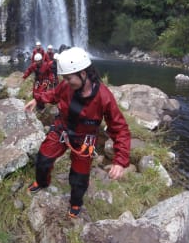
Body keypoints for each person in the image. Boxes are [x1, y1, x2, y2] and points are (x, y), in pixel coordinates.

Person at [24, 47, 131, 218]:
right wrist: (37, 100)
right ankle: (42, 182)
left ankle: (75, 203)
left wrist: (120, 161)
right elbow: (53, 94)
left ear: (83, 73)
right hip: (62, 129)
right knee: (43, 159)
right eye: (64, 78)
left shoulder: (104, 97)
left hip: (84, 139)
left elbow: (120, 129)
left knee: (79, 177)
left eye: (68, 78)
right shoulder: (66, 86)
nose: (65, 81)